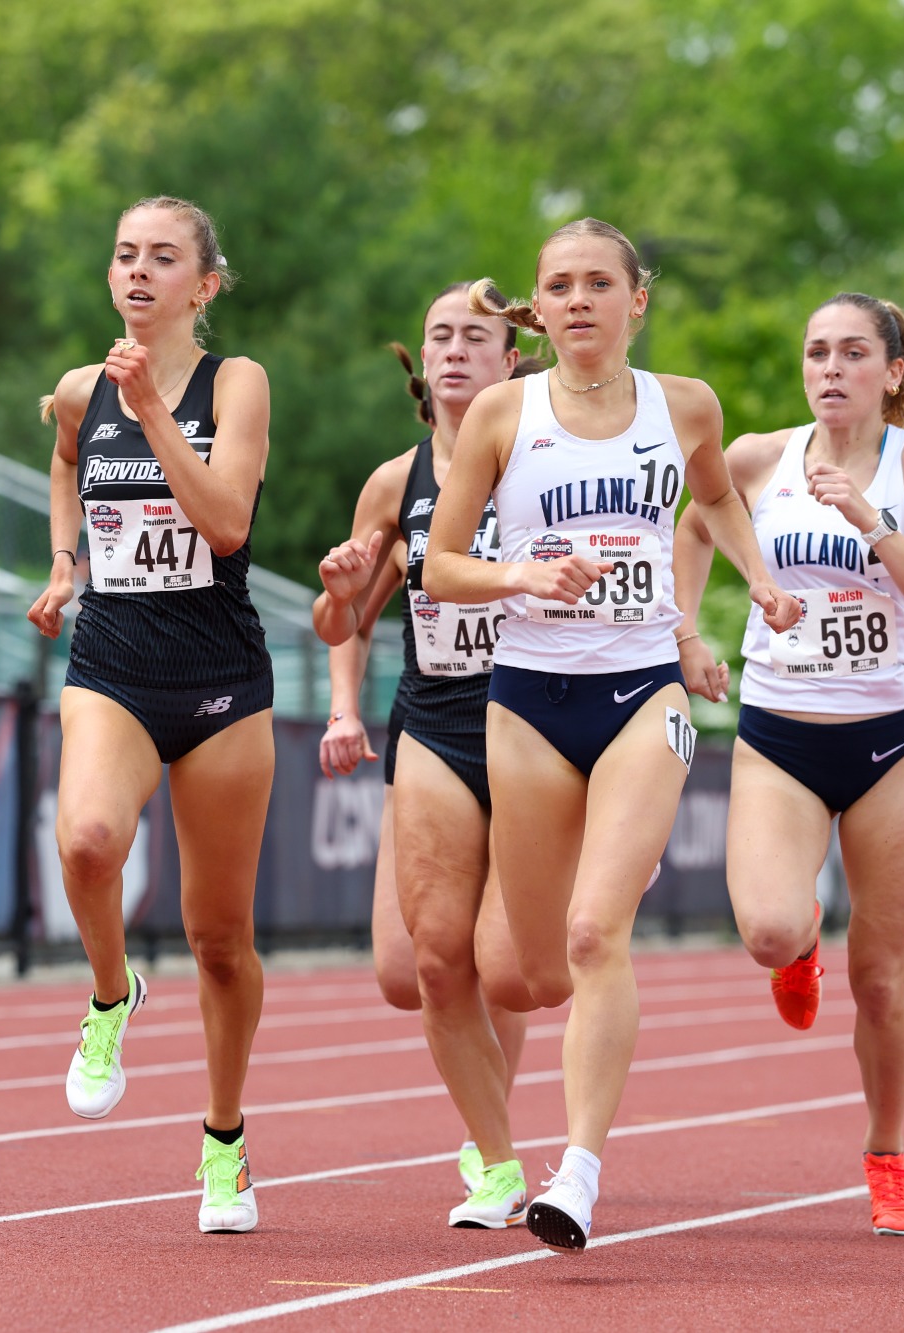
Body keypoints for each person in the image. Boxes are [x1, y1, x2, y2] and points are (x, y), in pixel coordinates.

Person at [423, 218, 797, 1253]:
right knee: (521, 973)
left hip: (641, 691)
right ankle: (592, 878)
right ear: (536, 312)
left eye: (598, 282)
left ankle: (576, 1171)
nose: (578, 299)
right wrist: (520, 574)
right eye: (559, 285)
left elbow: (716, 496)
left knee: (594, 937)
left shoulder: (684, 405)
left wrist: (756, 578)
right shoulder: (504, 411)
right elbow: (439, 567)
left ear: (638, 299)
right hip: (527, 701)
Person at [673, 291, 904, 1238]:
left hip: (888, 738)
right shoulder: (760, 457)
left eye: (852, 353)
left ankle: (887, 1154)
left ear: (891, 371)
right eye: (816, 353)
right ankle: (798, 946)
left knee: (880, 978)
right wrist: (687, 631)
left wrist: (878, 526)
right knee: (765, 928)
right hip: (780, 734)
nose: (831, 368)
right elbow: (692, 526)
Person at [27, 196, 273, 1234]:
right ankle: (108, 991)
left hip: (218, 677)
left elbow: (222, 525)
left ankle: (223, 1144)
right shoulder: (84, 390)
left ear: (201, 286)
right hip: (114, 661)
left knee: (218, 939)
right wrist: (62, 561)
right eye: (124, 254)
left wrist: (156, 414)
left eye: (162, 259)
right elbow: (63, 455)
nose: (137, 272)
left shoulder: (237, 385)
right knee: (86, 841)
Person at [314, 284, 537, 1227]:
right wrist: (340, 703)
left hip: (532, 721)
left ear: (511, 359)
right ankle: (495, 1139)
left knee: (505, 965)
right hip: (434, 719)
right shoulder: (391, 481)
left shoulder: (541, 460)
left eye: (475, 338)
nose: (453, 351)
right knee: (410, 971)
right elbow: (345, 619)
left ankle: (495, 1154)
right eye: (439, 335)